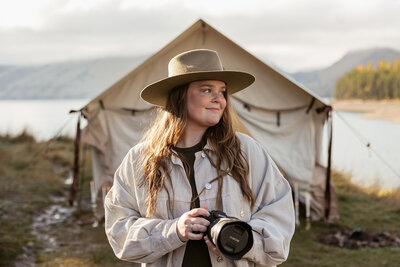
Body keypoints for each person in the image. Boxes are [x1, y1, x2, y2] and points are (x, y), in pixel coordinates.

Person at [104, 49, 295, 267]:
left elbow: (279, 217)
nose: (219, 100)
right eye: (207, 90)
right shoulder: (139, 160)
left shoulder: (247, 152)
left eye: (222, 91)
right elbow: (119, 232)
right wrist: (174, 231)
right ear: (180, 96)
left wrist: (241, 242)